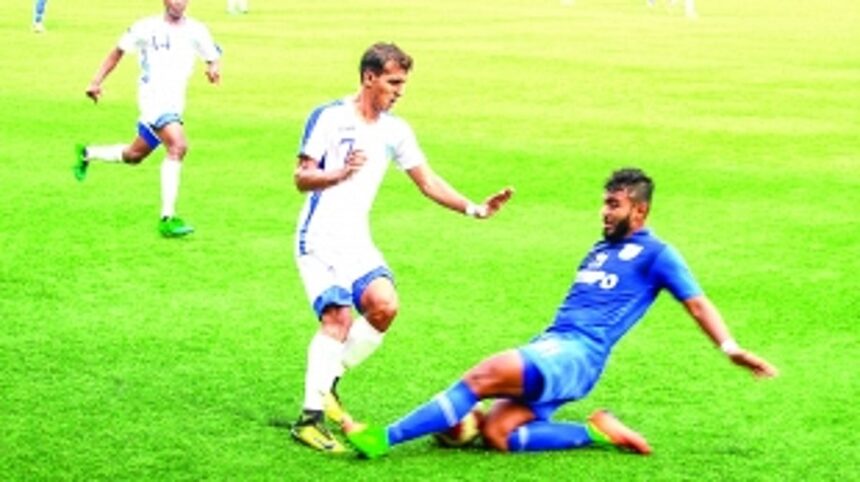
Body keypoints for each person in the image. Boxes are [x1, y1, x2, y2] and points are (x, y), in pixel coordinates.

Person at [337, 167, 779, 459]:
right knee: (497, 434)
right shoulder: (601, 248)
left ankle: (383, 439)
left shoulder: (658, 254)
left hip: (577, 356)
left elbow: (697, 302)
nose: (604, 213)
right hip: (554, 346)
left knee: (480, 377)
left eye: (615, 205)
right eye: (604, 203)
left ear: (639, 210)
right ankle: (598, 431)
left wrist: (730, 347)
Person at [290, 42, 514, 453]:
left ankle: (327, 383)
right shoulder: (329, 117)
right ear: (369, 78)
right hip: (318, 238)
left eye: (403, 83)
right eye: (393, 82)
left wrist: (474, 209)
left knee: (384, 306)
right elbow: (301, 177)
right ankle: (309, 418)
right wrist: (338, 172)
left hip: (355, 241)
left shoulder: (396, 131)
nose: (400, 90)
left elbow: (427, 182)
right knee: (338, 317)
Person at [73, 0, 221, 238]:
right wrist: (96, 81)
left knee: (134, 155)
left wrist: (213, 68)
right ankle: (167, 218)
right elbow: (118, 51)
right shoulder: (145, 27)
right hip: (152, 99)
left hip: (175, 104)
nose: (180, 2)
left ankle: (88, 153)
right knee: (178, 146)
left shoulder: (197, 30)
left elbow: (212, 55)